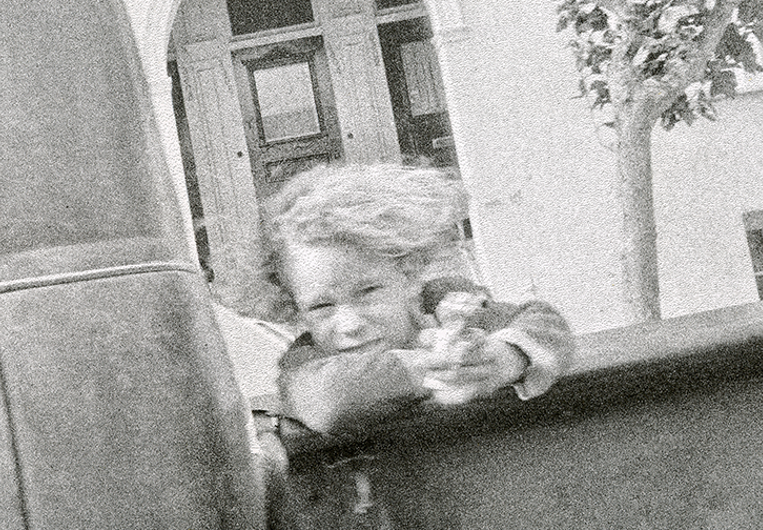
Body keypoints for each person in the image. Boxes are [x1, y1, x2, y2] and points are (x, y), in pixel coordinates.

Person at [244, 162, 574, 438]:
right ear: (294, 307)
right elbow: (328, 401)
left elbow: (545, 322)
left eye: (368, 292)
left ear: (410, 276)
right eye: (321, 307)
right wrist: (430, 367)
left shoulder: (443, 307)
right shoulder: (306, 361)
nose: (350, 324)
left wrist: (505, 357)